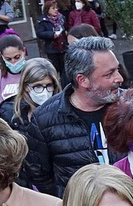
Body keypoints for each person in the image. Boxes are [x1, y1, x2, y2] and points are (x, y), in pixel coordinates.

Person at [22, 36, 124, 196]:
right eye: (109, 74)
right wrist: (70, 201)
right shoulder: (44, 119)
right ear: (83, 80)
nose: (119, 78)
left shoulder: (131, 106)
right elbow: (39, 174)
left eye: (117, 69)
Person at [1, 58, 59, 132]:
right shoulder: (9, 112)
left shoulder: (62, 111)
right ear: (26, 86)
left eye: (49, 85)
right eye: (38, 86)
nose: (44, 91)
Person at [0, 34, 29, 114]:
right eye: (8, 59)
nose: (13, 62)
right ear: (2, 56)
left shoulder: (33, 70)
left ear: (23, 51)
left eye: (17, 57)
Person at [37, 1, 69, 77]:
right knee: (54, 68)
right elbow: (40, 33)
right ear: (47, 9)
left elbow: (66, 27)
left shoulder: (61, 18)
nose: (56, 10)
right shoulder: (43, 20)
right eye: (53, 8)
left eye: (56, 8)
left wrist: (66, 33)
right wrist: (52, 34)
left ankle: (64, 82)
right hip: (52, 48)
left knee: (64, 69)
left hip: (63, 47)